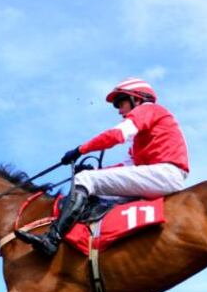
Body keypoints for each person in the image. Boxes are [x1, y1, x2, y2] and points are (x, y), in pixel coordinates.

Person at [17, 78, 190, 256]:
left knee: (84, 180)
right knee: (95, 189)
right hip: (158, 175)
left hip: (164, 174)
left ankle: (52, 239)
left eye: (120, 103)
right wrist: (96, 173)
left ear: (136, 99)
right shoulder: (141, 138)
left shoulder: (147, 109)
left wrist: (80, 150)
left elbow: (116, 135)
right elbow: (127, 166)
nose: (119, 110)